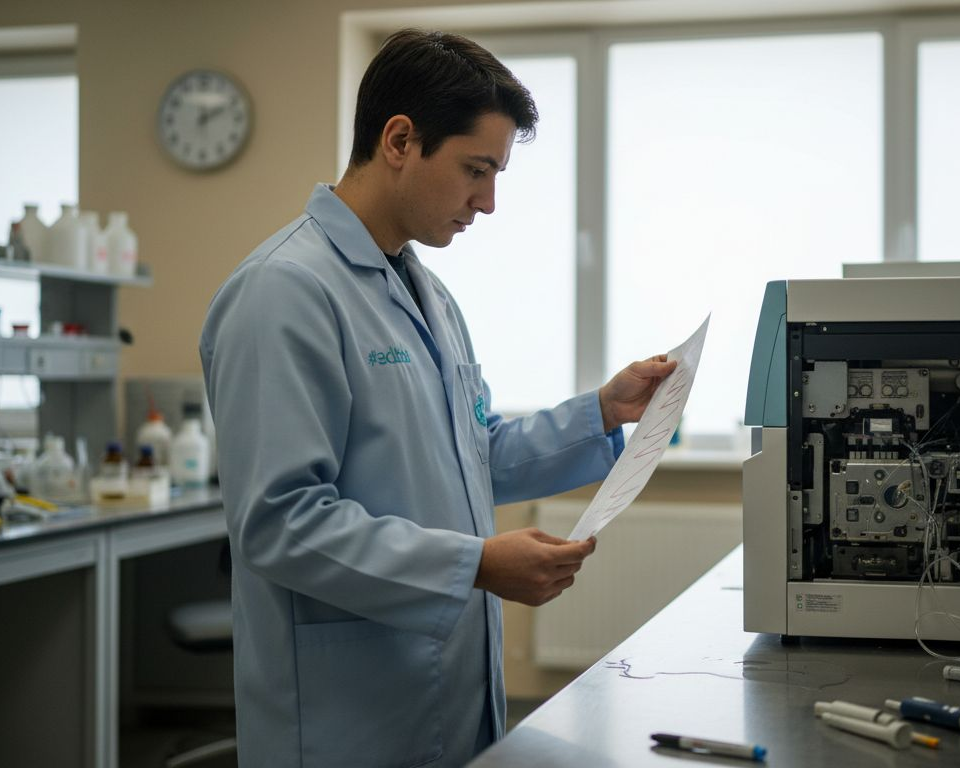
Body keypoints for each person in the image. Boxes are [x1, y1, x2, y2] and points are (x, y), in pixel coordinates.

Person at [200, 28, 676, 768]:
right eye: (475, 170)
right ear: (399, 140)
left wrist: (602, 412)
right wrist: (476, 565)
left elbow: (472, 453)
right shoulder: (283, 292)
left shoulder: (428, 294)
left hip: (443, 685)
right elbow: (279, 523)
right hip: (344, 713)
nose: (486, 202)